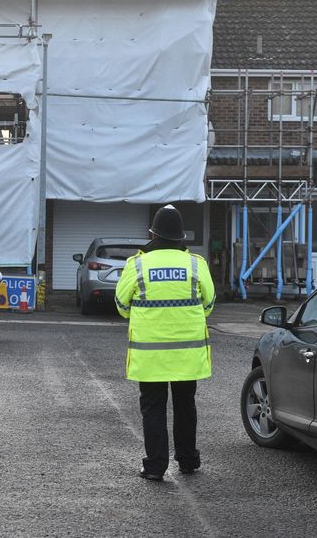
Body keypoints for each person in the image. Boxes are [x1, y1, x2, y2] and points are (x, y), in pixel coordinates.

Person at [114, 204, 215, 481]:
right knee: (185, 406)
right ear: (181, 237)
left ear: (152, 234)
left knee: (153, 408)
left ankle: (155, 467)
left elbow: (121, 305)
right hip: (187, 356)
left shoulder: (137, 265)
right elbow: (209, 304)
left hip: (151, 357)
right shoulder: (196, 264)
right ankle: (188, 460)